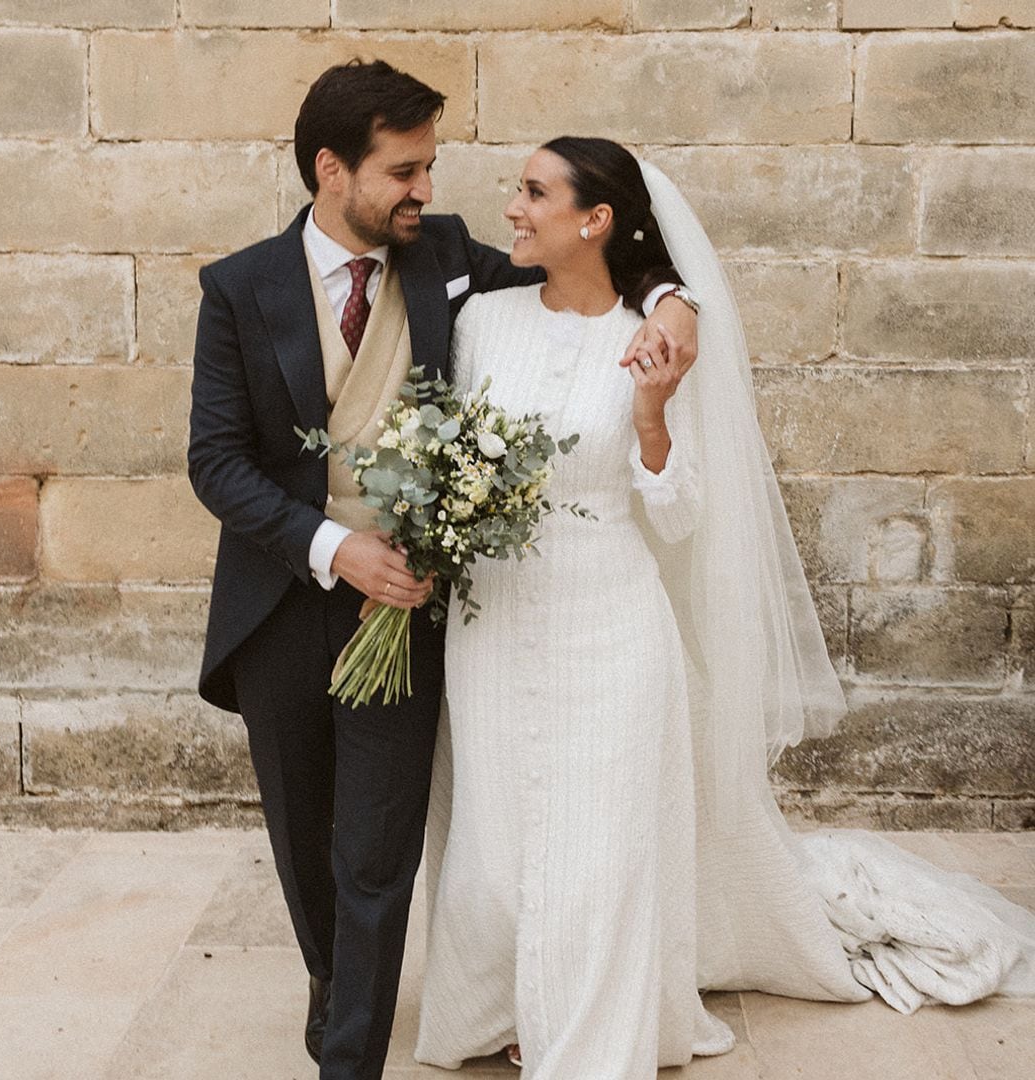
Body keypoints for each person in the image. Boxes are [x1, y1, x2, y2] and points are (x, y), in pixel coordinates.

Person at [415, 137, 1035, 1078]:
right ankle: (504, 1002)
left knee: (600, 846)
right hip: (491, 624)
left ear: (596, 221)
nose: (512, 207)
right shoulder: (480, 323)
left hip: (609, 620)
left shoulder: (653, 336)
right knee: (494, 842)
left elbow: (680, 509)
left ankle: (585, 1039)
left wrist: (657, 414)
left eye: (533, 192)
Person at [187, 62, 697, 1079]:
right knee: (305, 842)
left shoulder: (448, 258)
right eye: (404, 169)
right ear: (333, 171)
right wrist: (336, 548)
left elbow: (591, 271)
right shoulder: (239, 288)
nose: (425, 189)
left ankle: (349, 1056)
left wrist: (674, 301)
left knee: (377, 850)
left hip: (412, 608)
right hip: (282, 603)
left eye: (430, 167)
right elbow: (216, 460)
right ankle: (339, 985)